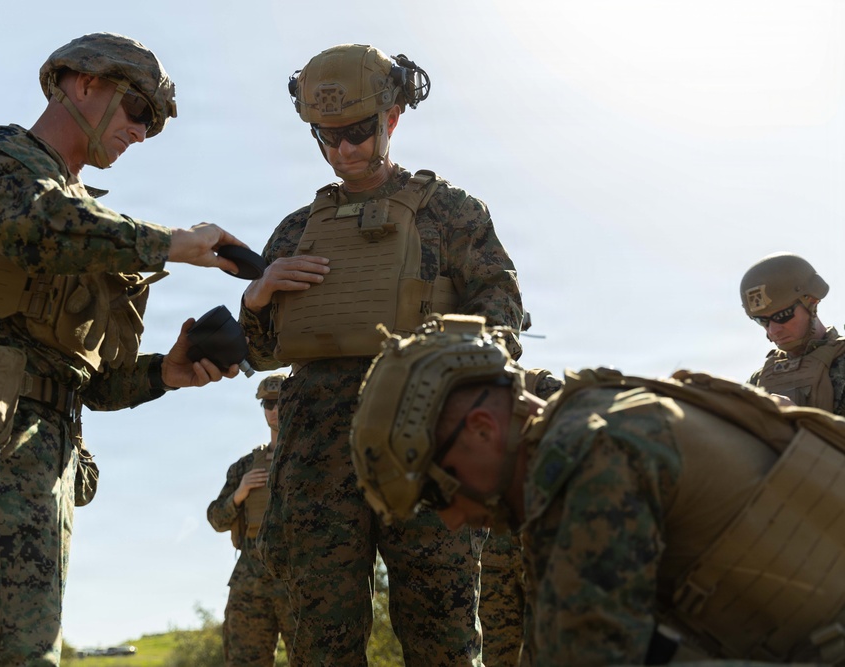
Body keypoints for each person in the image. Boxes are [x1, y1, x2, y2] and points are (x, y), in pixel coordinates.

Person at [0, 32, 244, 666]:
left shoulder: (82, 217)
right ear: (82, 82)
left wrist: (165, 373)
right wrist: (171, 242)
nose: (141, 133)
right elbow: (27, 225)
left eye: (153, 126)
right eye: (139, 110)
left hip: (30, 466)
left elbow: (79, 380)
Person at [238, 43, 523, 665]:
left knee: (442, 633)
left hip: (425, 437)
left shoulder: (450, 213)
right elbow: (260, 353)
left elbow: (501, 310)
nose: (345, 150)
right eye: (328, 137)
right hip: (315, 449)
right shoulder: (294, 230)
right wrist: (257, 298)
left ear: (393, 116)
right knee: (321, 637)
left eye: (358, 133)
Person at [351, 313, 845, 667]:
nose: (450, 521)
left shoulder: (589, 454)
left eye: (437, 493)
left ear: (482, 429)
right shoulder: (597, 417)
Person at [477, 369, 562, 667]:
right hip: (492, 559)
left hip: (542, 553)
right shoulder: (462, 391)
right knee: (494, 658)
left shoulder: (540, 386)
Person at [207, 373, 293, 666]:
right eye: (268, 404)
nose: (274, 410)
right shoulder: (244, 467)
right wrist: (240, 493)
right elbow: (217, 519)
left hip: (298, 574)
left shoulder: (312, 460)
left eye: (280, 402)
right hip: (250, 578)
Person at [740, 252, 845, 415]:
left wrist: (799, 420)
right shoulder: (759, 380)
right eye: (762, 321)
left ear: (811, 301)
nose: (773, 330)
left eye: (782, 316)